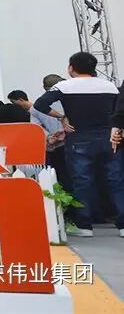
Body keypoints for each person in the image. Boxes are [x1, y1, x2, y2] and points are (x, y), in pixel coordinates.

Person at [33, 52, 123, 238]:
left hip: (79, 137)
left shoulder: (64, 86)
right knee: (116, 181)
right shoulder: (110, 86)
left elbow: (40, 105)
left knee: (82, 182)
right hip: (109, 138)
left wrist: (62, 117)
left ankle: (84, 225)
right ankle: (123, 226)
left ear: (71, 68)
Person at [27, 75, 71, 196]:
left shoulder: (35, 107)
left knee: (60, 179)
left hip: (55, 146)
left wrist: (48, 137)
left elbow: (36, 128)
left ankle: (66, 205)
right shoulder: (70, 100)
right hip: (74, 143)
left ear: (44, 87)